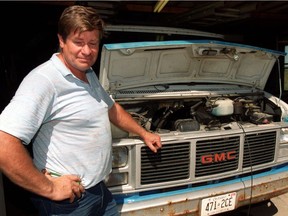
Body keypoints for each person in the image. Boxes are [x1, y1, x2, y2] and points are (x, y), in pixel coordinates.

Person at [0, 5, 162, 216]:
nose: (87, 51)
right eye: (78, 42)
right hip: (69, 203)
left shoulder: (87, 73)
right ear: (61, 40)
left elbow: (112, 109)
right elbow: (4, 143)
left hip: (100, 192)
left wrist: (144, 132)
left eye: (93, 43)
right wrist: (50, 188)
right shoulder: (44, 81)